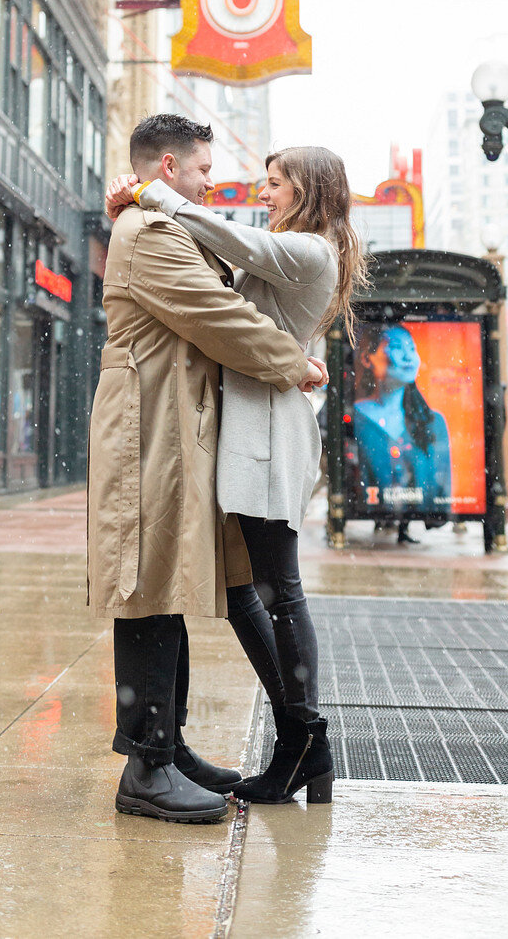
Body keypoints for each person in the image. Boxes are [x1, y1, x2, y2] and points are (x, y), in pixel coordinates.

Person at [88, 115, 327, 825]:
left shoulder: (159, 224)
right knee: (145, 585)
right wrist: (294, 364)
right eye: (199, 173)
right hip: (146, 429)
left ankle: (168, 748)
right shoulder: (152, 235)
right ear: (168, 167)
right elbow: (217, 314)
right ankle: (146, 768)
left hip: (163, 424)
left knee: (164, 583)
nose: (208, 186)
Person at [351, 324, 452, 541]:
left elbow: (440, 488)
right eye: (396, 347)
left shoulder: (433, 421)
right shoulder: (356, 416)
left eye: (412, 348)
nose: (408, 357)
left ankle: (403, 529)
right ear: (367, 359)